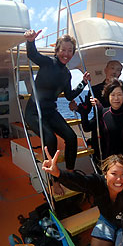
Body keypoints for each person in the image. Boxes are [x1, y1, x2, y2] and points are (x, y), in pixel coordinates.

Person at [24, 29, 90, 195]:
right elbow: (33, 55)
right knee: (50, 139)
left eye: (70, 51)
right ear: (57, 50)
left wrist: (82, 83)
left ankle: (70, 173)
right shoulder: (47, 62)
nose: (66, 54)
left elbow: (69, 96)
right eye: (63, 49)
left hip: (50, 111)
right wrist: (30, 41)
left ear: (73, 53)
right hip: (34, 111)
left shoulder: (66, 74)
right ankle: (54, 181)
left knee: (71, 137)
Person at [42, 148, 123, 246]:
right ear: (105, 174)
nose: (119, 179)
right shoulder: (98, 183)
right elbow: (80, 181)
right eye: (114, 174)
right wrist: (58, 173)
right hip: (108, 219)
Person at [78, 79, 123, 177]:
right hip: (108, 162)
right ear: (108, 96)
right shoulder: (103, 113)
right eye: (113, 95)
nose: (116, 98)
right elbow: (87, 128)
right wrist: (84, 112)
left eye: (119, 94)